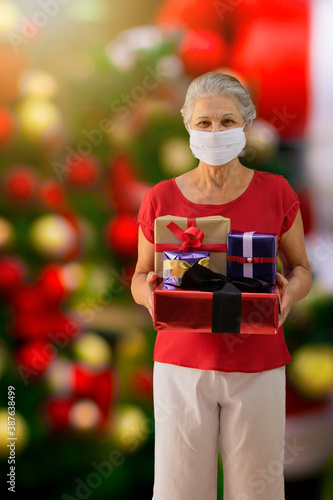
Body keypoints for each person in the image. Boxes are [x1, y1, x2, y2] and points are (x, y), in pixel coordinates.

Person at [131, 72, 312, 500]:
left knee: (258, 490)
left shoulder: (277, 192)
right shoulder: (159, 199)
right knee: (178, 489)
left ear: (246, 126)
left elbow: (302, 268)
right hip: (181, 364)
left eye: (227, 121)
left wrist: (291, 292)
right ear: (188, 126)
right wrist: (149, 296)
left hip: (259, 363)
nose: (216, 131)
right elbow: (139, 276)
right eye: (205, 123)